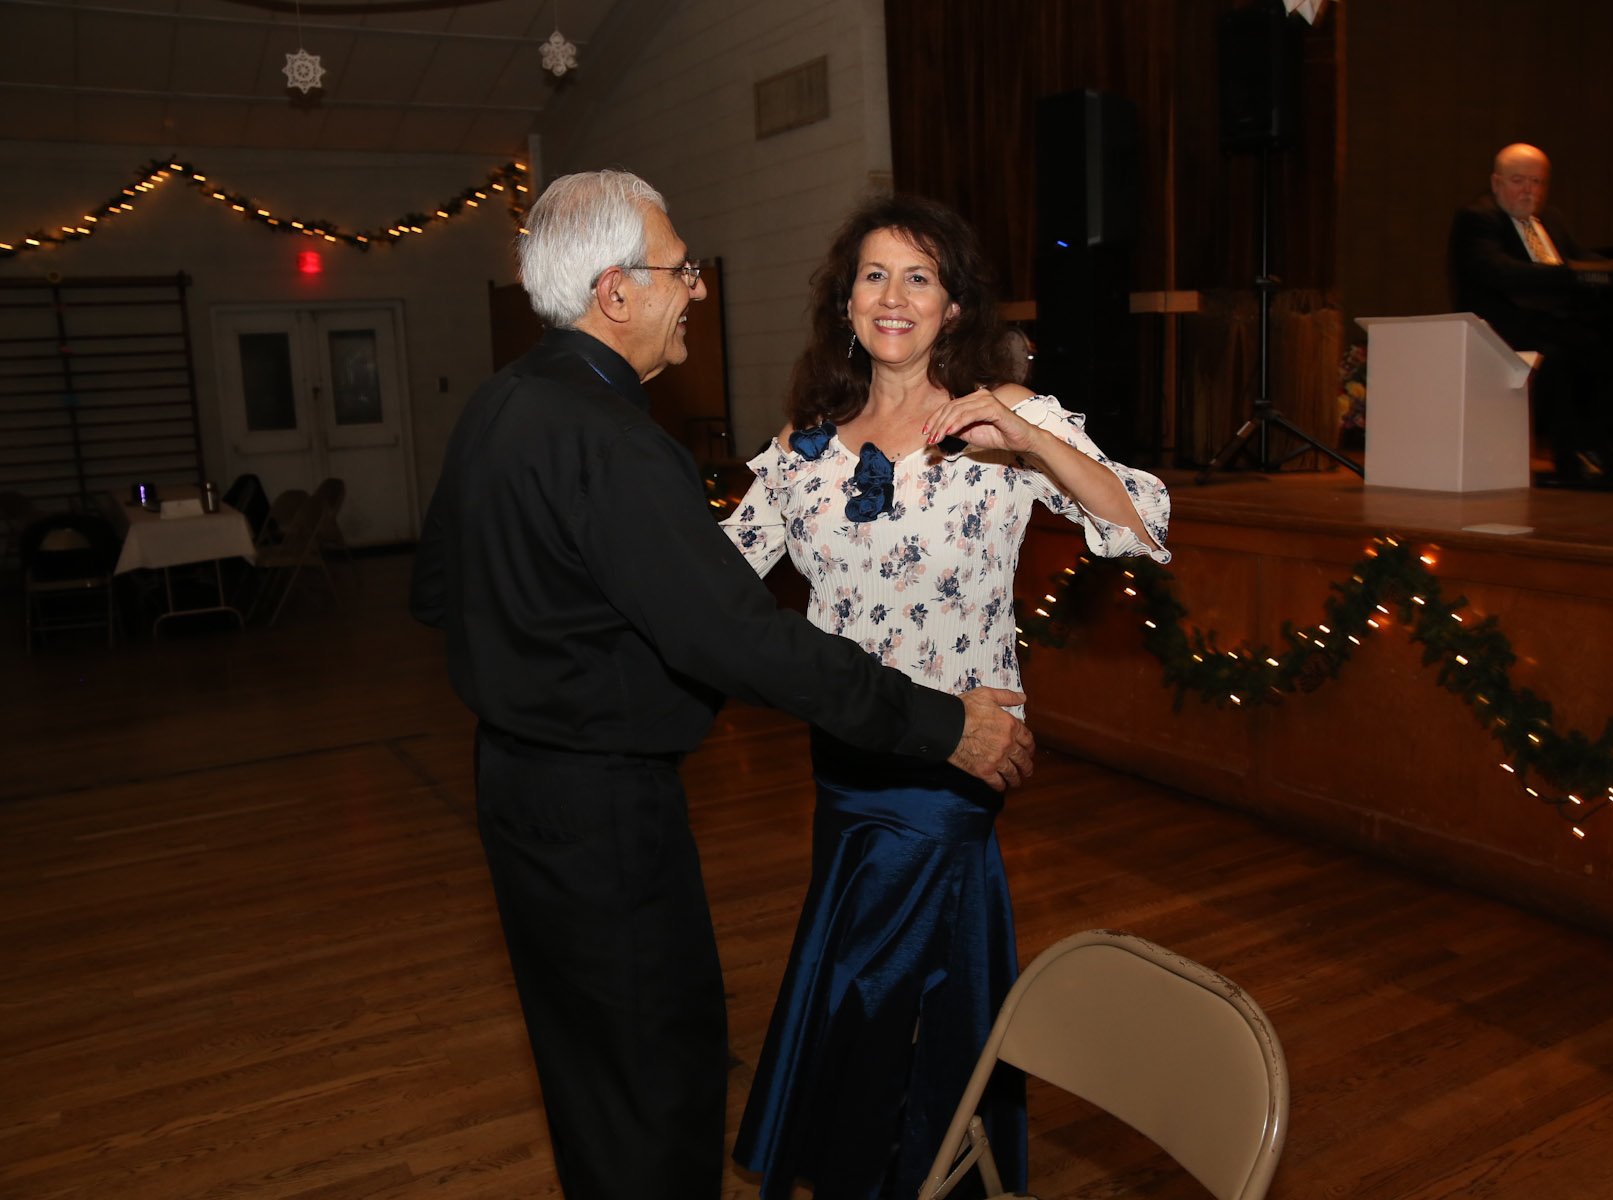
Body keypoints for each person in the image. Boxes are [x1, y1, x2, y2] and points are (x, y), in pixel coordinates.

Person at [409, 170, 1035, 1200]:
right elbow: (744, 642)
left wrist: (560, 635)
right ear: (617, 291)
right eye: (679, 269)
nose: (695, 288)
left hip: (514, 789)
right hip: (604, 809)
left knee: (585, 1066)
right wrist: (940, 724)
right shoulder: (618, 443)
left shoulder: (498, 405)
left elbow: (437, 590)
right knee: (657, 1076)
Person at [721, 194, 1171, 1200]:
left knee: (875, 987)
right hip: (845, 762)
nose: (895, 296)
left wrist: (1024, 433)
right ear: (846, 301)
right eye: (875, 275)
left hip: (954, 762)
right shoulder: (807, 447)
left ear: (954, 305)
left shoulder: (1003, 422)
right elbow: (716, 581)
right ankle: (908, 1168)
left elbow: (1142, 523)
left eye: (919, 277)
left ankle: (882, 1171)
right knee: (880, 983)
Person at [1448, 143, 1613, 482]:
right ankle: (1573, 456)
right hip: (1504, 323)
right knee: (1565, 356)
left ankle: (1603, 448)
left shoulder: (1550, 219)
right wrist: (1566, 275)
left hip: (1554, 320)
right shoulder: (1478, 218)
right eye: (1519, 181)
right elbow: (1499, 272)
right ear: (1496, 182)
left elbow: (1578, 258)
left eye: (1537, 182)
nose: (1529, 191)